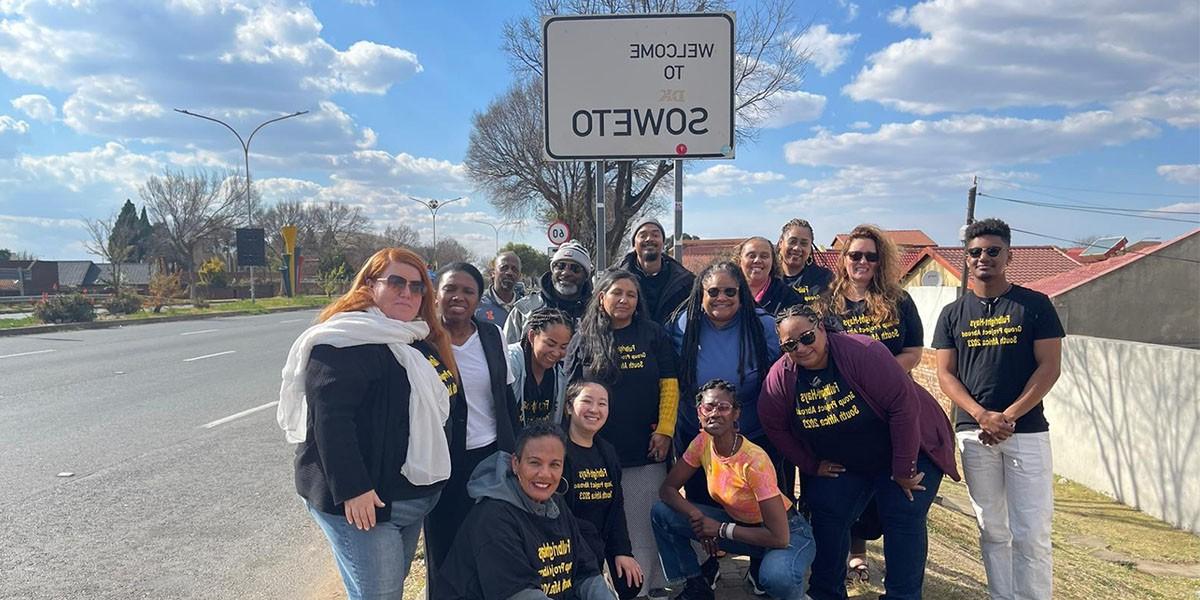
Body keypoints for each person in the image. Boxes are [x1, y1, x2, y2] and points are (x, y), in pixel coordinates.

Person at [279, 247, 460, 600]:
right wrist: (353, 489)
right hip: (364, 505)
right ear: (369, 286)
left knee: (381, 588)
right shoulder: (343, 340)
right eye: (395, 282)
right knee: (380, 594)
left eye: (417, 286)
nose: (407, 293)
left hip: (411, 497)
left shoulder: (416, 339)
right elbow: (331, 422)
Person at [760, 305, 959, 600]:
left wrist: (904, 471)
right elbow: (773, 425)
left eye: (807, 337)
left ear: (821, 328)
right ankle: (826, 592)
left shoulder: (862, 352)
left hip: (909, 444)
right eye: (790, 344)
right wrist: (811, 465)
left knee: (903, 512)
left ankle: (902, 596)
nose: (801, 348)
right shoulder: (782, 377)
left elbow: (904, 407)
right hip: (848, 460)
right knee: (827, 511)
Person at [933, 218, 1064, 600]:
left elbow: (1050, 367)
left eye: (993, 251)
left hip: (1026, 433)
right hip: (974, 434)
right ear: (967, 259)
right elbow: (945, 374)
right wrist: (980, 415)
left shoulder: (1035, 305)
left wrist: (1008, 416)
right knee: (991, 528)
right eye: (975, 252)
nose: (983, 258)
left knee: (1031, 532)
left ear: (1009, 255)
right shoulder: (952, 314)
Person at [565, 268, 680, 596]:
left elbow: (669, 384)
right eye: (617, 293)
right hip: (594, 448)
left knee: (644, 519)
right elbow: (569, 391)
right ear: (602, 297)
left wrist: (666, 430)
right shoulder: (584, 338)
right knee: (603, 519)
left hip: (645, 446)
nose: (624, 300)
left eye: (631, 294)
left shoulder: (654, 334)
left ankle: (647, 585)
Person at [821, 224, 925, 580]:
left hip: (890, 407)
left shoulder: (899, 300)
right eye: (855, 255)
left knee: (884, 485)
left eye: (870, 256)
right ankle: (844, 560)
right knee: (843, 485)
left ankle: (882, 565)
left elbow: (914, 350)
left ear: (881, 261)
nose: (862, 261)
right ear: (844, 259)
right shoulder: (826, 301)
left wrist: (885, 376)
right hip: (843, 407)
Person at [653, 379, 815, 600]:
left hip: (787, 533)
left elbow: (779, 537)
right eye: (708, 407)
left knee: (777, 578)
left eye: (723, 407)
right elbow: (668, 489)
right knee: (662, 512)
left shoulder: (754, 460)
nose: (715, 413)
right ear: (699, 413)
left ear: (736, 413)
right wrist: (699, 519)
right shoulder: (702, 442)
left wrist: (719, 529)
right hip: (742, 528)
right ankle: (696, 586)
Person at [425, 262, 520, 596]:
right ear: (437, 294)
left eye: (468, 291)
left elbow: (507, 400)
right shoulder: (421, 339)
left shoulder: (492, 337)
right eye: (450, 288)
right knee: (444, 545)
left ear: (479, 298)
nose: (458, 297)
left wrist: (516, 453)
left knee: (489, 542)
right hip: (440, 461)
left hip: (490, 457)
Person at [436, 423, 617, 600]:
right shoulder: (493, 517)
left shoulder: (556, 504)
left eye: (554, 465)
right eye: (535, 463)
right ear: (516, 463)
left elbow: (585, 572)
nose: (545, 474)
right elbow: (519, 593)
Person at [562, 380, 644, 599]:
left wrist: (622, 552)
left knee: (630, 582)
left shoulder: (607, 452)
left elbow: (616, 507)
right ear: (569, 406)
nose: (595, 410)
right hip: (566, 547)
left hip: (599, 545)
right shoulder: (557, 450)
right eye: (587, 401)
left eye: (602, 404)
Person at [505, 240, 594, 344]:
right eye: (560, 266)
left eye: (575, 269)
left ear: (585, 276)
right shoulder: (526, 309)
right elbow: (506, 353)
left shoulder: (595, 312)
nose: (566, 273)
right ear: (552, 271)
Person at [617, 217, 695, 327]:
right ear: (634, 244)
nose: (649, 239)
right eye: (643, 235)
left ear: (663, 242)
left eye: (655, 235)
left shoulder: (686, 283)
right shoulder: (615, 281)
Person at [508, 308, 574, 427]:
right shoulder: (510, 363)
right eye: (550, 344)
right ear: (532, 336)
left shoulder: (559, 375)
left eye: (563, 347)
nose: (556, 353)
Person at [736, 236, 804, 316]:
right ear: (739, 260)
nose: (757, 260)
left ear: (773, 261)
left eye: (764, 256)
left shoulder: (788, 297)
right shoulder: (727, 291)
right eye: (752, 256)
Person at [777, 219, 834, 305]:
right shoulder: (769, 277)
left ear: (810, 248)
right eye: (792, 241)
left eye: (804, 243)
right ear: (781, 243)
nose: (797, 248)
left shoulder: (825, 279)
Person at [476, 250, 526, 327]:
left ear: (519, 276)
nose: (509, 272)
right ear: (493, 273)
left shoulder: (526, 308)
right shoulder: (478, 305)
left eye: (514, 269)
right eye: (504, 268)